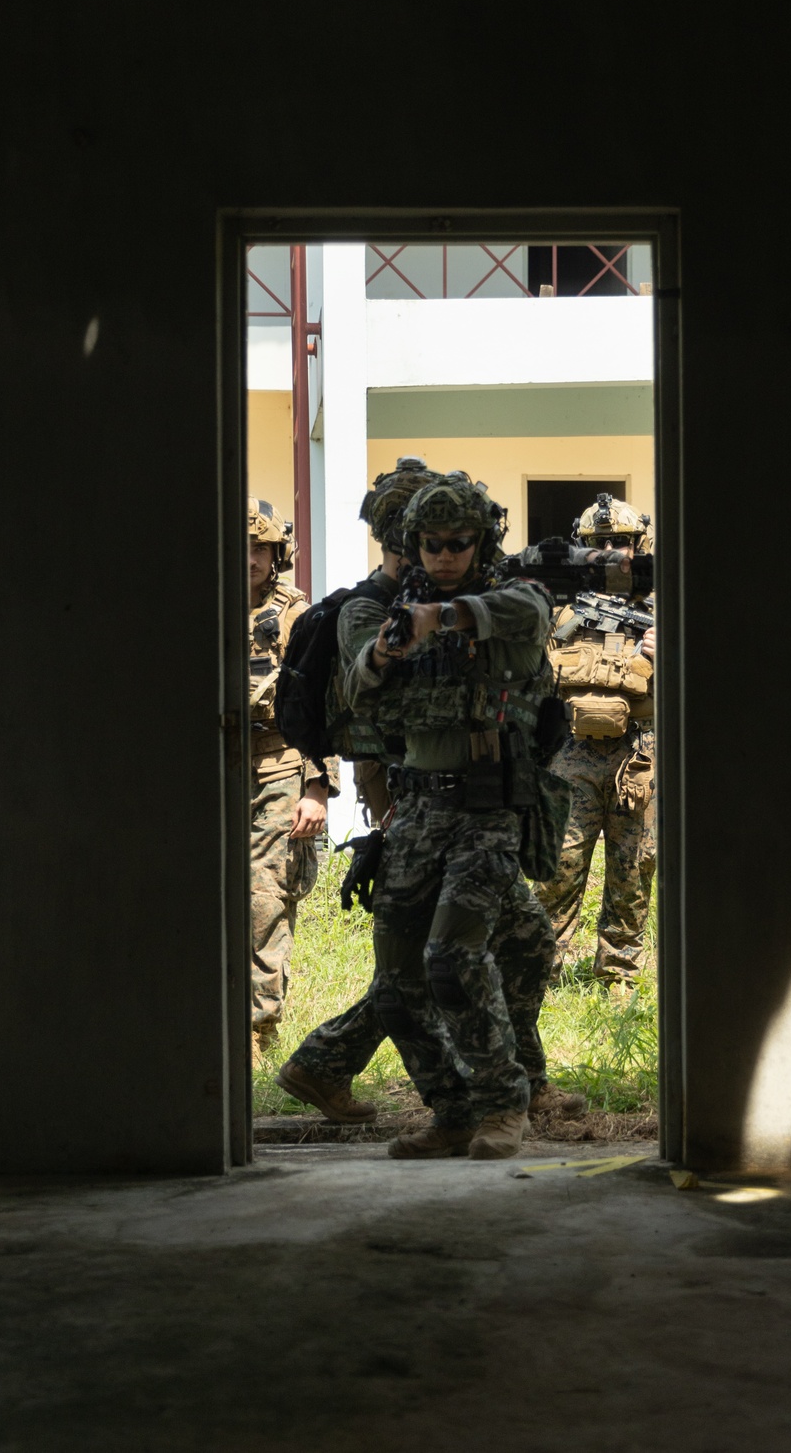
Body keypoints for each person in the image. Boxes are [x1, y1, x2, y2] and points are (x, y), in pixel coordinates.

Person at [338, 472, 563, 1161]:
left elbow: (529, 613)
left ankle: (504, 1105)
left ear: (480, 541)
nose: (443, 556)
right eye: (431, 545)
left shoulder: (513, 600)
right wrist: (384, 652)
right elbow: (354, 689)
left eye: (458, 543)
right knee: (399, 982)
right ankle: (453, 1111)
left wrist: (447, 616)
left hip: (488, 810)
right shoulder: (382, 611)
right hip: (418, 812)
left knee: (451, 958)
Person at [274, 456, 440, 1122]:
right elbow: (383, 689)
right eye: (431, 532)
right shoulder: (368, 608)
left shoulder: (429, 597)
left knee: (448, 937)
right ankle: (332, 1064)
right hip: (404, 779)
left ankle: (327, 1064)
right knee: (428, 942)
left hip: (437, 780)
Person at [532, 495, 657, 987]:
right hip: (570, 757)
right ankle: (539, 974)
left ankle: (618, 978)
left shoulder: (661, 608)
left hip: (637, 756)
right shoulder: (556, 610)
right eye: (597, 542)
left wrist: (668, 647)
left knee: (633, 870)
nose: (609, 550)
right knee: (557, 868)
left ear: (636, 545)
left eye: (619, 542)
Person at [247, 498, 338, 1064]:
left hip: (279, 767)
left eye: (259, 548)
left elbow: (322, 705)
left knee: (264, 899)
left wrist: (316, 788)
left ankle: (257, 1027)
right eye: (239, 547)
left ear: (277, 553)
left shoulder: (296, 616)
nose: (249, 558)